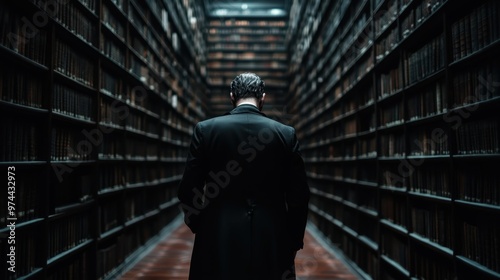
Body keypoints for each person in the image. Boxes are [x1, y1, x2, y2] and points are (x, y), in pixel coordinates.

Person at [178, 72, 310, 280]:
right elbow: (299, 195)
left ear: (232, 96)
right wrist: (293, 240)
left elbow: (188, 189)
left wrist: (200, 224)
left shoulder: (205, 130)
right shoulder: (285, 134)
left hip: (218, 234)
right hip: (271, 236)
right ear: (263, 98)